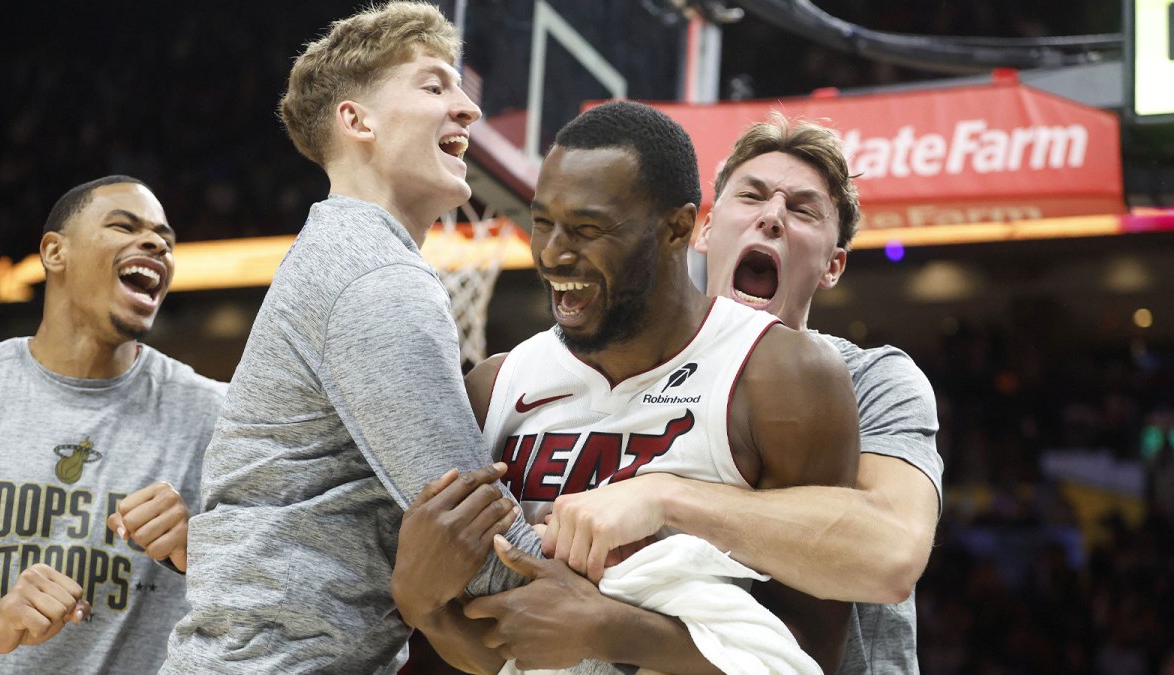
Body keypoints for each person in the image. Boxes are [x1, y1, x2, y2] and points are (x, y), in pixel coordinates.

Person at [161, 4, 571, 673]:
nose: (468, 109)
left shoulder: (342, 254)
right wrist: (627, 648)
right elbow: (480, 538)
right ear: (358, 121)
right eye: (435, 86)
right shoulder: (375, 277)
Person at [393, 100, 862, 674]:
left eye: (589, 229)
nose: (554, 253)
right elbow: (489, 645)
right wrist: (421, 606)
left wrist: (609, 630)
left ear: (678, 228)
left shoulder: (784, 377)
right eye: (543, 223)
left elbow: (809, 654)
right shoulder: (495, 386)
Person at [534, 112, 944, 674]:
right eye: (751, 196)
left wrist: (664, 497)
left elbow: (889, 553)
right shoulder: (600, 364)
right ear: (701, 229)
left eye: (801, 209)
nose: (772, 217)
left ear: (833, 266)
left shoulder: (873, 378)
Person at [0, 175, 227, 673]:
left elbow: (274, 594)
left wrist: (201, 549)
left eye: (165, 239)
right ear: (54, 252)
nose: (156, 243)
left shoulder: (217, 416)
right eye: (123, 226)